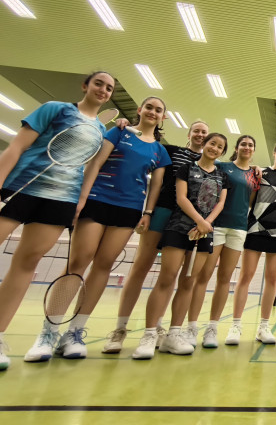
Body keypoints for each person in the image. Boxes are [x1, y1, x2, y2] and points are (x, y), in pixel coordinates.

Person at [0, 71, 115, 372]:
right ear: (85, 86)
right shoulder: (56, 108)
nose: (104, 90)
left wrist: (78, 203)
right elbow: (16, 147)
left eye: (109, 88)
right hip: (21, 188)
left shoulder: (101, 129)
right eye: (99, 84)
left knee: (27, 263)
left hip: (60, 201)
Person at [25, 96, 171, 362]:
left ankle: (75, 332)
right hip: (97, 200)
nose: (152, 112)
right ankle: (48, 333)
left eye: (158, 110)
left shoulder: (160, 152)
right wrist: (82, 198)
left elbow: (156, 186)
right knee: (79, 261)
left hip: (129, 209)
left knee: (104, 265)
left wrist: (147, 213)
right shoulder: (119, 131)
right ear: (140, 110)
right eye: (148, 107)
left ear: (163, 117)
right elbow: (96, 162)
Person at [100, 120, 209, 353]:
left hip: (184, 221)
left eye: (204, 132)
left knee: (168, 276)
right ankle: (120, 329)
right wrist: (124, 126)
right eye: (197, 130)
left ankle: (157, 327)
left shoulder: (210, 164)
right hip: (161, 212)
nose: (200, 135)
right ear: (189, 134)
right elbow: (142, 147)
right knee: (141, 267)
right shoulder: (168, 151)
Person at [131, 133, 229, 359]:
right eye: (212, 143)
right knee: (167, 278)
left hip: (204, 233)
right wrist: (199, 221)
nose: (214, 148)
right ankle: (148, 335)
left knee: (188, 282)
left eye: (219, 147)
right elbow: (181, 198)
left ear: (222, 152)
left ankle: (174, 334)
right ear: (204, 145)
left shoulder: (223, 176)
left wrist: (207, 224)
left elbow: (221, 203)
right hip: (179, 227)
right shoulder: (186, 169)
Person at [184, 135, 260, 349]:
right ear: (236, 148)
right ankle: (191, 327)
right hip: (215, 226)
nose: (247, 147)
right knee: (203, 276)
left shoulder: (254, 175)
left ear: (253, 150)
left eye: (250, 145)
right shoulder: (221, 166)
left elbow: (250, 201)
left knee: (225, 278)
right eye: (243, 144)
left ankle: (212, 328)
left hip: (238, 228)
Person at [227, 141, 276, 346]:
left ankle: (264, 326)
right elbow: (252, 199)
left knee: (271, 279)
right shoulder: (260, 172)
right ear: (274, 153)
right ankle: (236, 325)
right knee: (246, 276)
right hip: (255, 229)